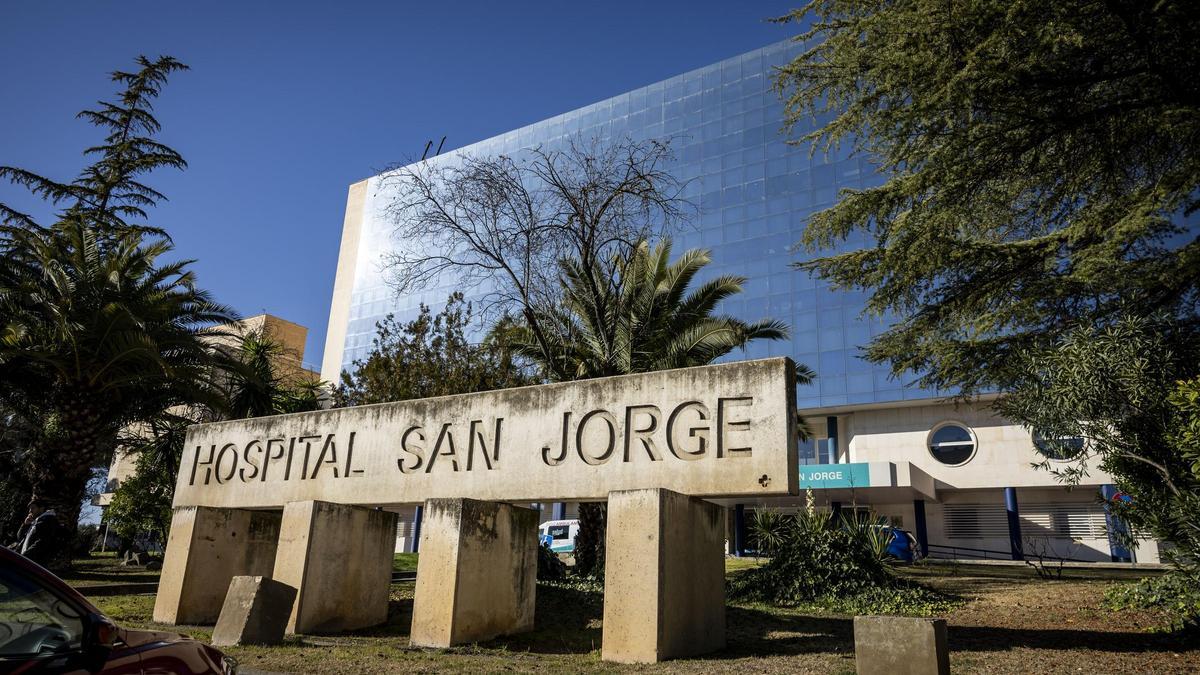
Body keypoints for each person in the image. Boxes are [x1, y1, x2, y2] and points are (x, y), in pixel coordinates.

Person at [10, 498, 62, 567]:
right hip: (27, 561)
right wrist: (25, 524)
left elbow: (42, 542)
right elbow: (19, 537)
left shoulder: (47, 521)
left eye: (33, 508)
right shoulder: (36, 521)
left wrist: (25, 556)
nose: (30, 511)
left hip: (35, 563)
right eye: (29, 508)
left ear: (41, 508)